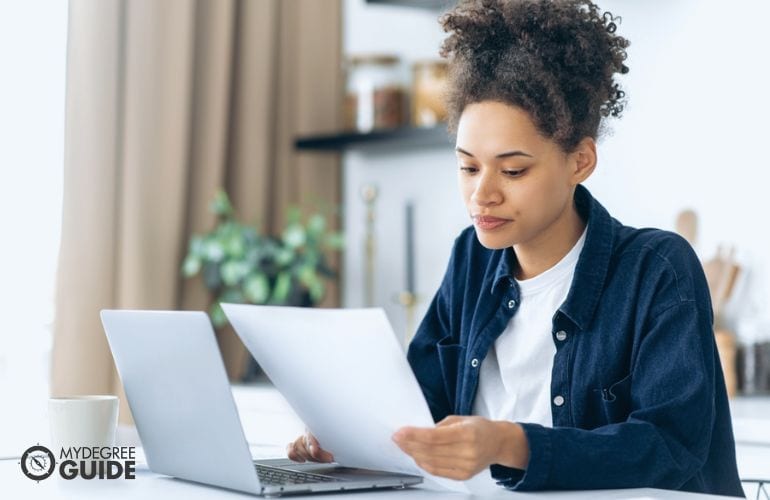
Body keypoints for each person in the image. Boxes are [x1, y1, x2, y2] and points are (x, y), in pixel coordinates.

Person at [287, 0, 744, 496]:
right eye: (467, 167)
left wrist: (510, 443)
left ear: (580, 161)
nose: (482, 194)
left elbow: (669, 447)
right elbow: (419, 404)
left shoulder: (657, 269)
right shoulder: (472, 259)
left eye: (513, 170)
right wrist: (348, 434)